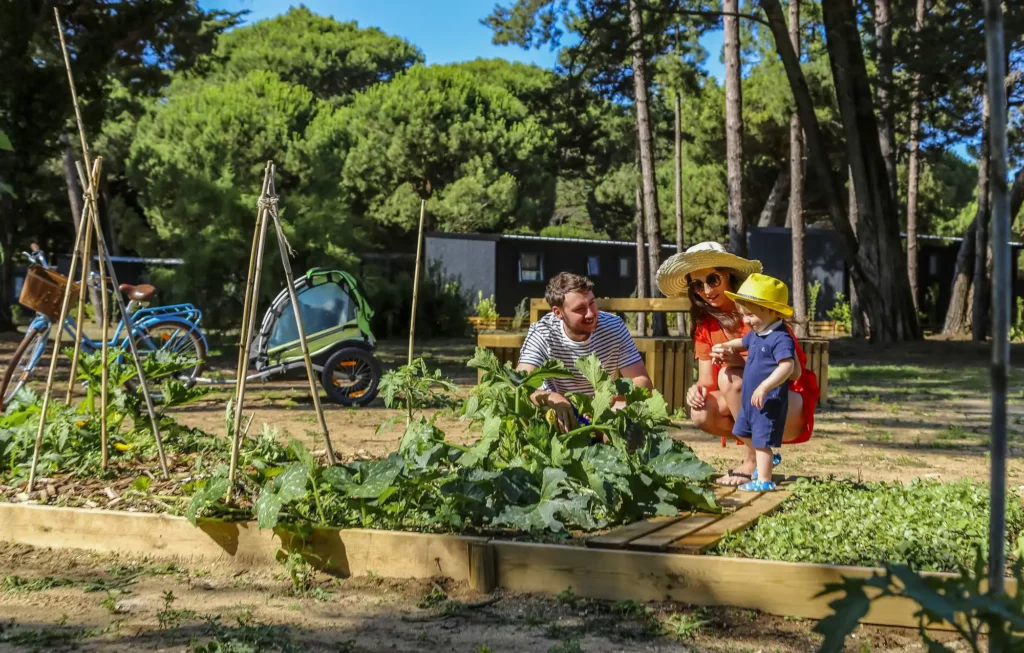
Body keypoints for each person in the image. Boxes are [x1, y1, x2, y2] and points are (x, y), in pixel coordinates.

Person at [655, 242, 819, 486]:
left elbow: (793, 374)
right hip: (750, 405)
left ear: (729, 277)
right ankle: (761, 455)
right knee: (701, 410)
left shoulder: (759, 311)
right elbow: (707, 382)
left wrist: (740, 363)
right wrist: (695, 390)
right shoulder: (705, 325)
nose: (707, 290)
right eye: (698, 285)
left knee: (729, 375)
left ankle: (752, 461)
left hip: (785, 402)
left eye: (713, 279)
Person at [517, 272, 653, 432]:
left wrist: (614, 394)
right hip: (557, 414)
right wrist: (552, 398)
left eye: (592, 303)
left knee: (628, 418)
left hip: (602, 413)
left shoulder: (614, 326)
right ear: (558, 312)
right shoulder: (542, 331)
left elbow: (642, 381)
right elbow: (519, 384)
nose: (590, 313)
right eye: (580, 309)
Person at [714, 273, 798, 491]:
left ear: (772, 311)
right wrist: (725, 347)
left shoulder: (780, 337)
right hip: (750, 400)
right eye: (744, 314)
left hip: (768, 400)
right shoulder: (757, 332)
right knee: (741, 431)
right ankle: (768, 458)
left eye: (750, 315)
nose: (745, 320)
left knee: (761, 442)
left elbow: (788, 366)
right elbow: (740, 342)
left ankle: (764, 479)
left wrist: (764, 386)